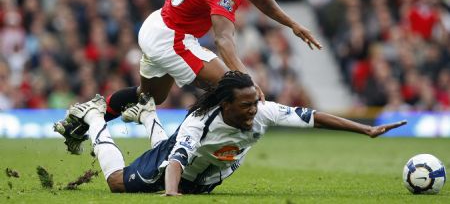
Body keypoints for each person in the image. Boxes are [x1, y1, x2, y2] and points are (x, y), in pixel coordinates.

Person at [54, 0, 322, 154]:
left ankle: (86, 116)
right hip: (172, 39)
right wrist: (246, 80)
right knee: (231, 88)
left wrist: (293, 24)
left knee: (149, 98)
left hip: (158, 25)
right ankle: (187, 156)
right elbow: (224, 40)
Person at [64, 71, 406, 195]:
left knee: (175, 154)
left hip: (205, 178)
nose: (252, 111)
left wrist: (366, 129)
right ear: (225, 104)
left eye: (254, 104)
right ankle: (94, 117)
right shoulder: (201, 122)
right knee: (117, 183)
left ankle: (147, 113)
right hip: (182, 173)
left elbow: (312, 116)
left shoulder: (264, 111)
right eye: (245, 106)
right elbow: (177, 160)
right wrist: (170, 194)